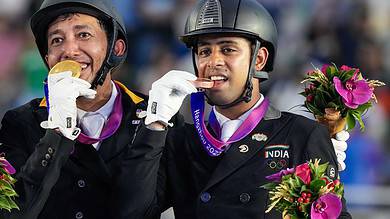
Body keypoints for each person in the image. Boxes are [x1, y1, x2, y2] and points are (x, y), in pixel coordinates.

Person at [134, 0, 351, 218]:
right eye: (205, 51)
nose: (213, 61)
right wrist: (155, 124)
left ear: (259, 59)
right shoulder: (181, 141)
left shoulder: (302, 135)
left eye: (228, 49)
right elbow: (133, 212)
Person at [0, 0, 161, 218]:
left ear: (116, 47)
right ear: (48, 60)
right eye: (57, 40)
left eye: (83, 35)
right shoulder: (19, 123)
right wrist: (57, 132)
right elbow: (12, 214)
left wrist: (155, 129)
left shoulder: (156, 117)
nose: (69, 50)